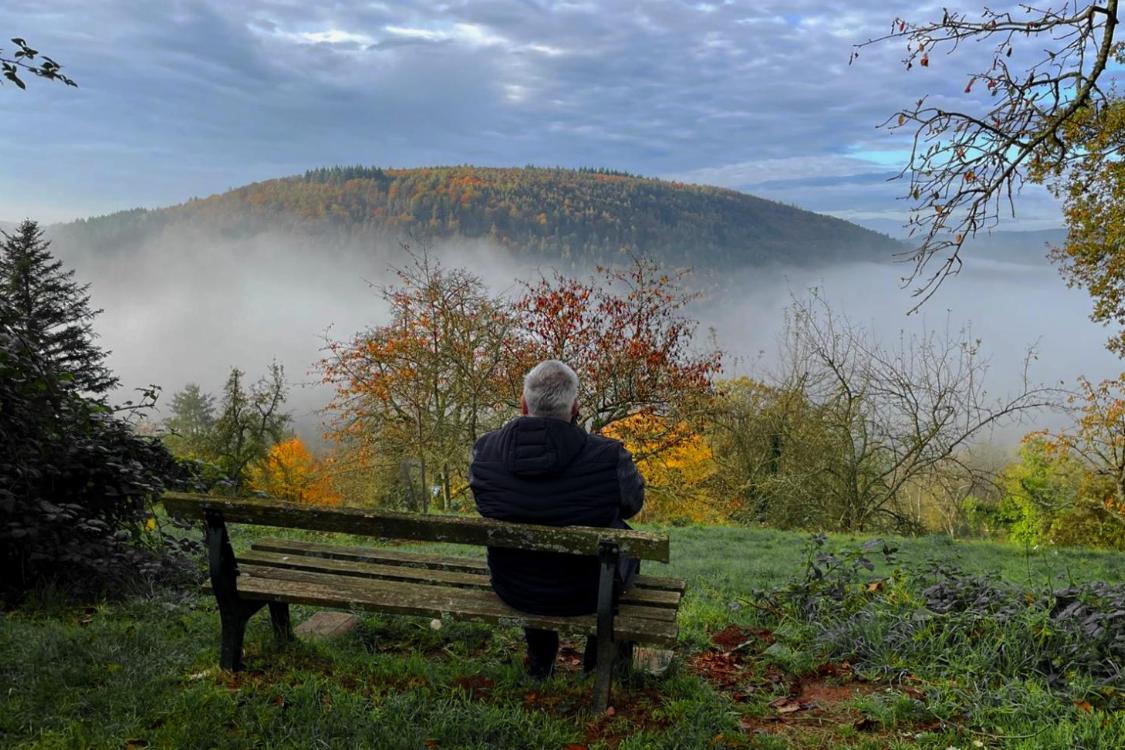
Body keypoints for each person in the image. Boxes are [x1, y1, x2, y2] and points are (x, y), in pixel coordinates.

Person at [469, 359, 645, 678]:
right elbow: (632, 504)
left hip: (514, 585)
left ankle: (541, 661)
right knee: (621, 549)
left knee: (535, 558)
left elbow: (485, 504)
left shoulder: (485, 452)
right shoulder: (609, 456)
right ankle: (596, 662)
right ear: (575, 406)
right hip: (590, 592)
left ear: (524, 404)